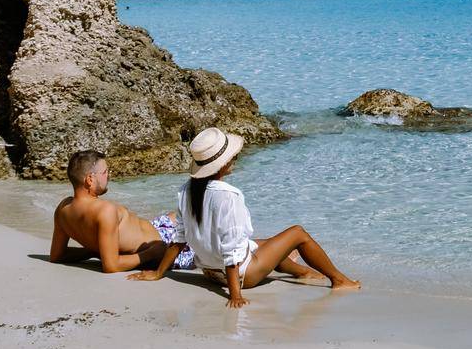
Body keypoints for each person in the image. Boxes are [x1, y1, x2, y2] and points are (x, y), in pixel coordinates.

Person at [130, 127, 361, 307]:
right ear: (223, 164)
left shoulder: (185, 190)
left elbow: (179, 239)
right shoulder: (229, 196)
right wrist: (235, 295)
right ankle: (339, 280)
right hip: (240, 278)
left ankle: (304, 273)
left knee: (265, 243)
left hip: (210, 273)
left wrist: (159, 273)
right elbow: (231, 249)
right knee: (298, 233)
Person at [49, 149, 196, 274]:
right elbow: (111, 266)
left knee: (180, 215)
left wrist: (95, 251)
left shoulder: (63, 209)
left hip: (155, 230)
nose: (109, 176)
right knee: (206, 231)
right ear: (90, 180)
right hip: (163, 250)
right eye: (105, 172)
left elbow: (57, 255)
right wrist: (150, 254)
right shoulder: (105, 211)